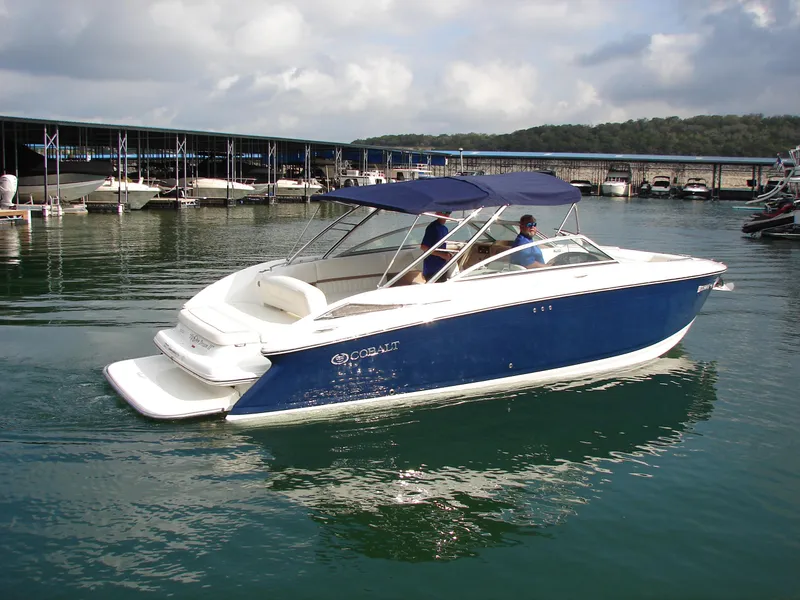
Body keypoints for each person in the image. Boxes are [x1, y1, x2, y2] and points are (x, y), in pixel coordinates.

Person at [420, 211, 451, 281]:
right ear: (437, 213)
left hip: (442, 267)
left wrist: (447, 255)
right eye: (444, 212)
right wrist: (442, 255)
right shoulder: (432, 228)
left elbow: (442, 247)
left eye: (449, 212)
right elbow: (424, 247)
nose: (447, 214)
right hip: (432, 269)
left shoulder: (445, 229)